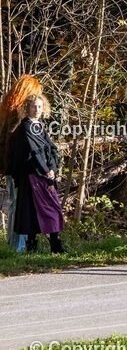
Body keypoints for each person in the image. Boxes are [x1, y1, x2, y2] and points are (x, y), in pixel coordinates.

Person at [6, 95, 65, 253]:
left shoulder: (40, 126)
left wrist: (52, 167)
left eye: (39, 106)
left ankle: (55, 244)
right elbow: (33, 152)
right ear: (27, 108)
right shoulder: (25, 127)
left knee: (51, 208)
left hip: (44, 175)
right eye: (33, 106)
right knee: (34, 211)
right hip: (33, 176)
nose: (37, 110)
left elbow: (51, 149)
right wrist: (46, 170)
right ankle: (34, 245)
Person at [1, 75, 43, 252]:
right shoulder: (20, 118)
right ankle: (18, 247)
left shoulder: (6, 113)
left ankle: (14, 245)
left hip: (10, 169)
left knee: (14, 206)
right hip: (21, 171)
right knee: (20, 208)